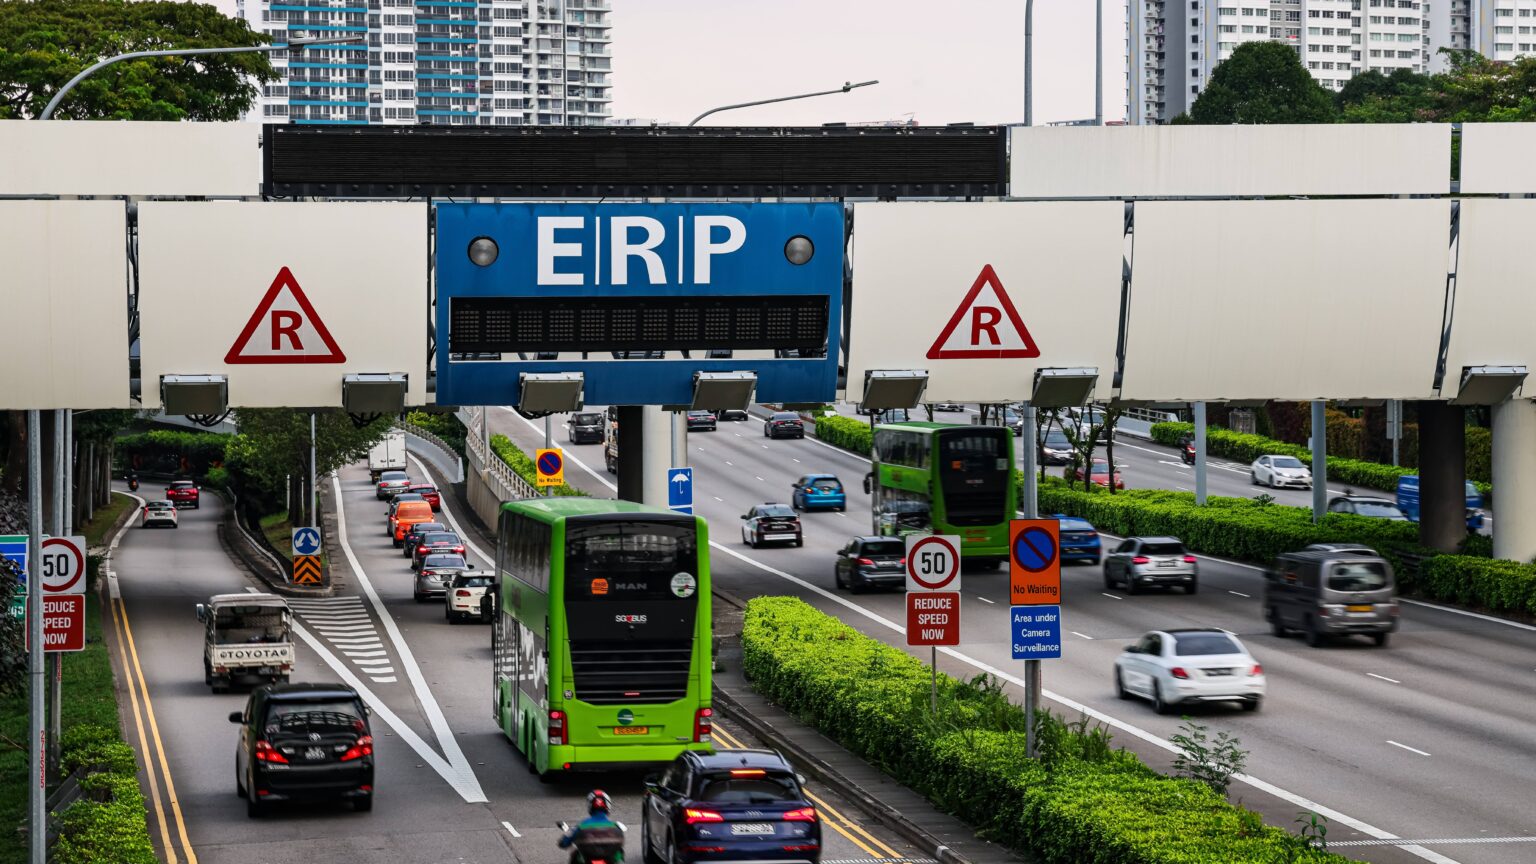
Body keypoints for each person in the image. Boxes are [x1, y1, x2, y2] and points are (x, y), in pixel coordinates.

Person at [558, 790, 625, 864]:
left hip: (587, 860)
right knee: (620, 852)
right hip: (610, 860)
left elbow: (564, 843)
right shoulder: (615, 826)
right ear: (608, 806)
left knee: (576, 854)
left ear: (590, 806)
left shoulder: (581, 826)